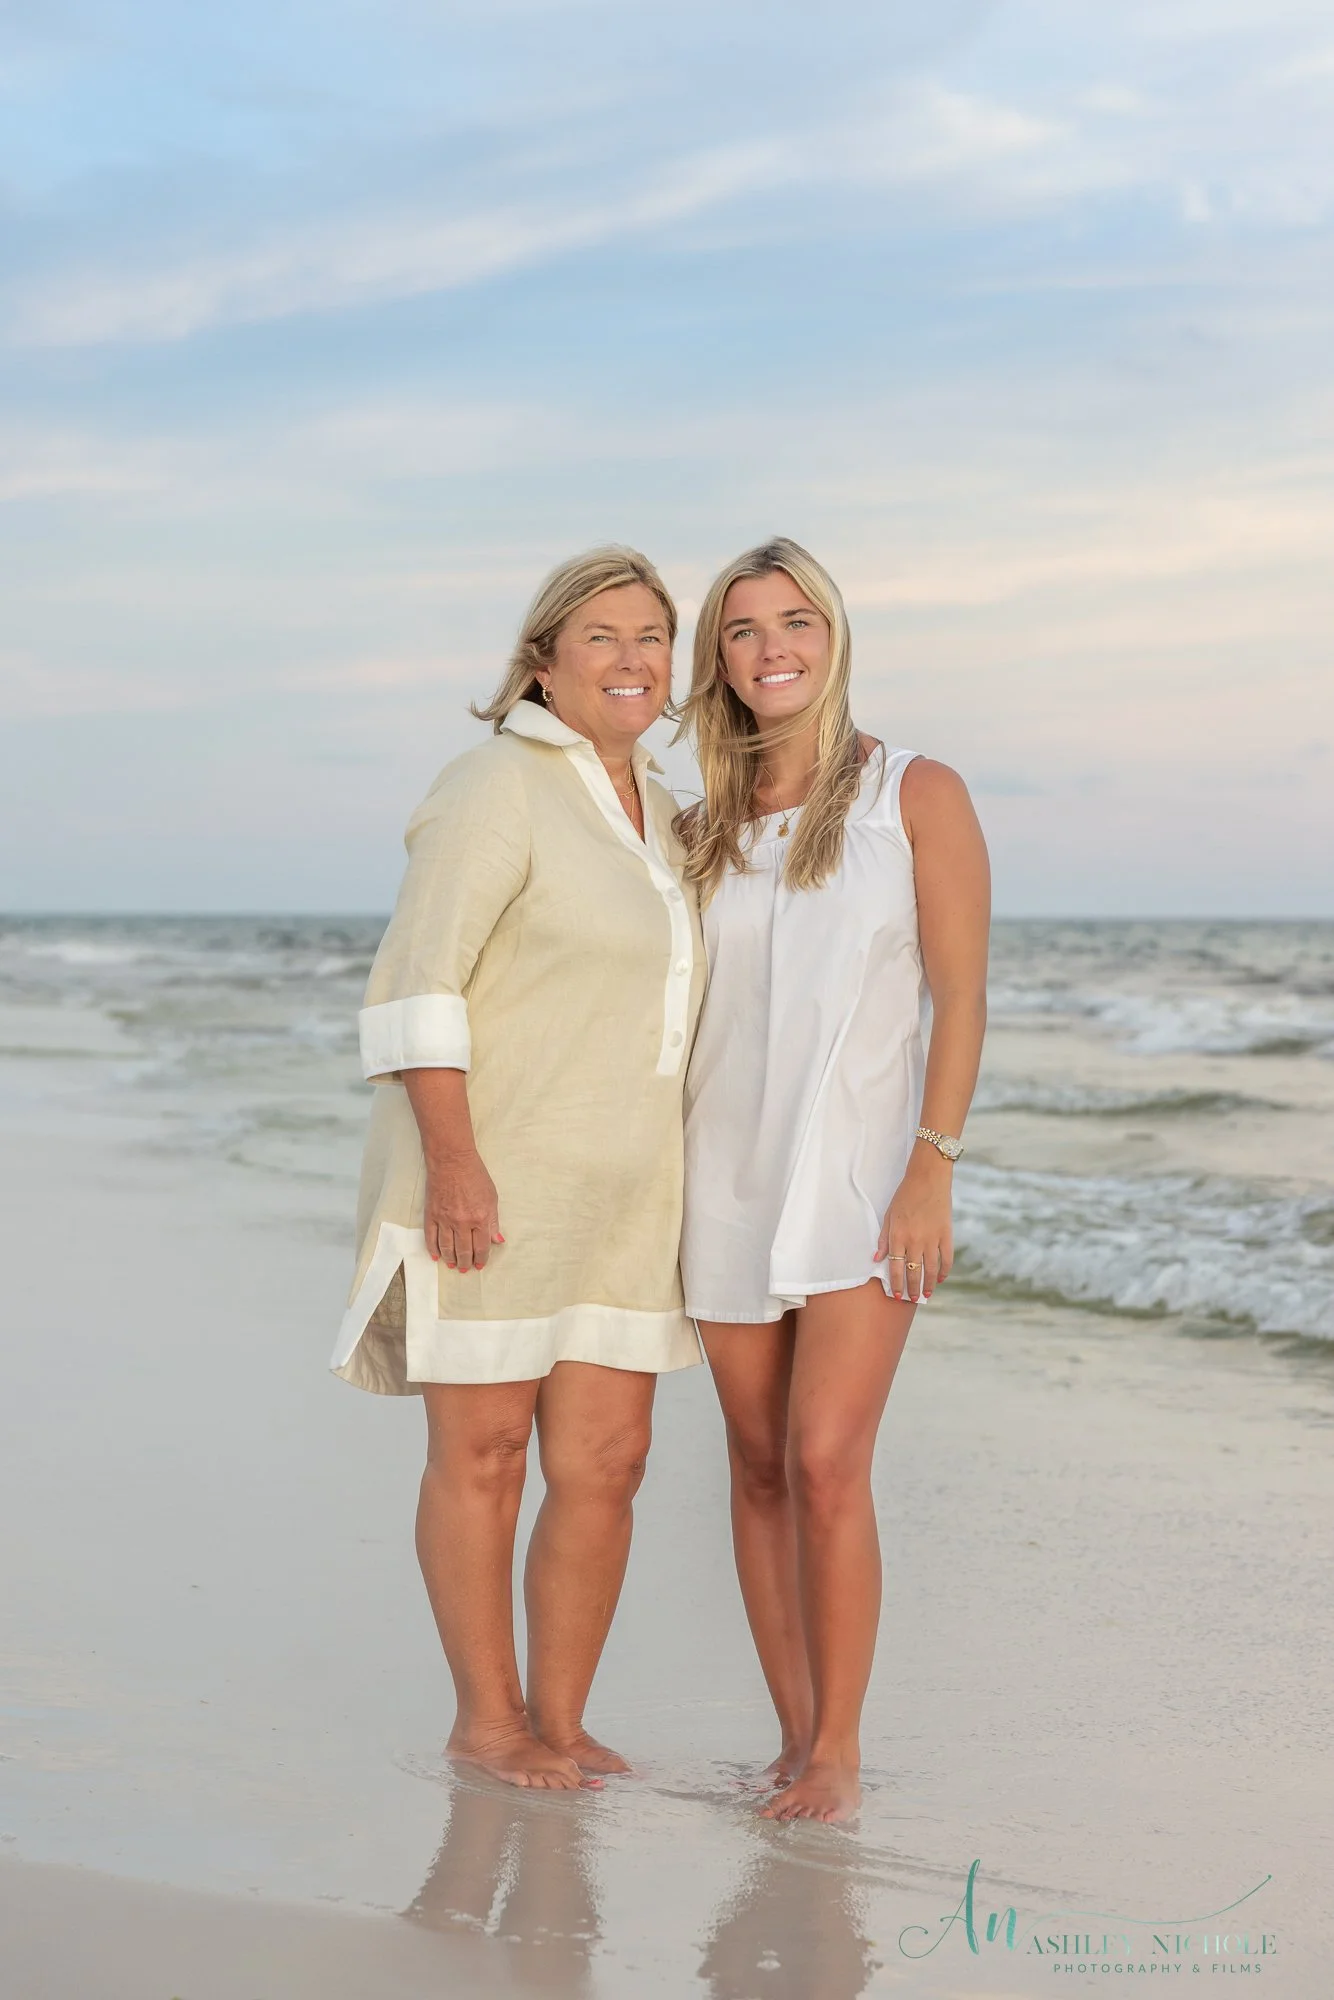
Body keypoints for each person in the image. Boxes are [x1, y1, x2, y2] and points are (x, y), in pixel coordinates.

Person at [330, 547, 705, 1789]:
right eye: (601, 635)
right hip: (490, 1175)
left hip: (626, 1197)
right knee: (483, 1454)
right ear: (541, 659)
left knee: (607, 1463)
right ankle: (485, 1721)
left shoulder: (662, 808)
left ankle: (561, 1717)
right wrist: (454, 1163)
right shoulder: (495, 782)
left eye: (652, 635)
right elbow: (418, 983)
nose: (631, 658)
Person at [677, 537, 990, 1822]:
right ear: (721, 660)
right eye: (743, 630)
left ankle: (839, 1750)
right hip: (720, 1176)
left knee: (822, 1460)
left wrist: (934, 1165)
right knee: (753, 1463)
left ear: (835, 634)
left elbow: (961, 995)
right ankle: (792, 1736)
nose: (771, 648)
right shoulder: (696, 827)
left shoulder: (913, 791)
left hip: (864, 1179)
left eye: (793, 619)